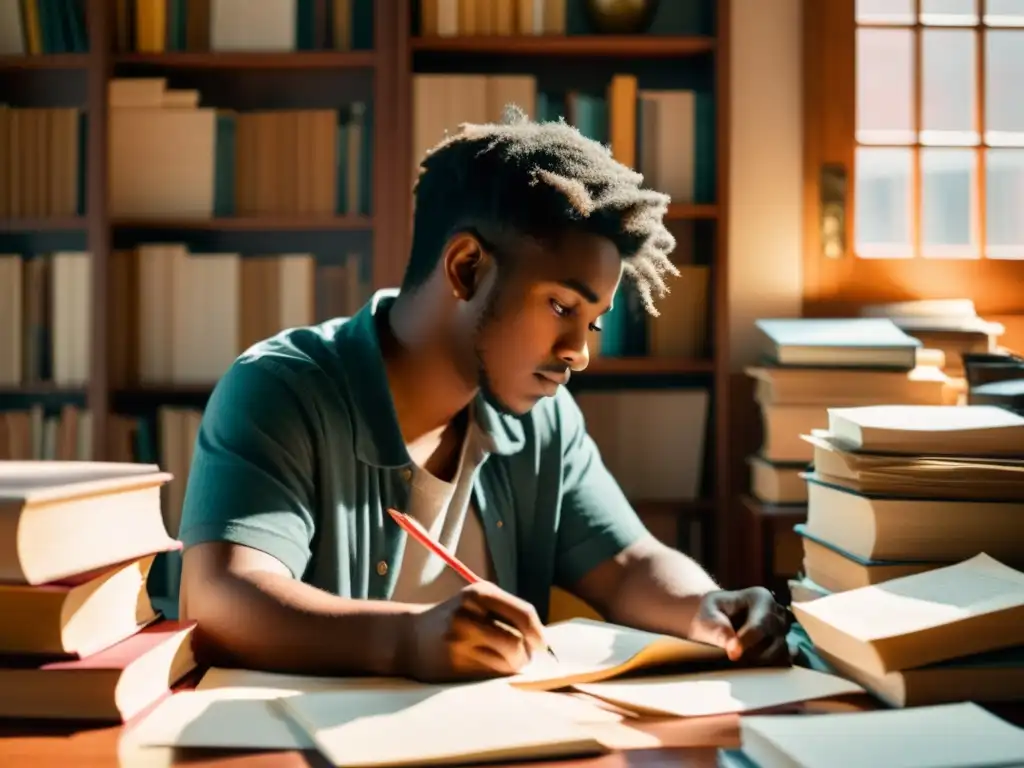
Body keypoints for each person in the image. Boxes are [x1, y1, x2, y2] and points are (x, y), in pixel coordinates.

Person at [177, 106, 790, 682]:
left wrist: (706, 604)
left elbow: (628, 564)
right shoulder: (281, 389)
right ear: (466, 268)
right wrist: (408, 640)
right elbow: (222, 596)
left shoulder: (543, 422)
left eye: (593, 321)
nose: (580, 352)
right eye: (560, 306)